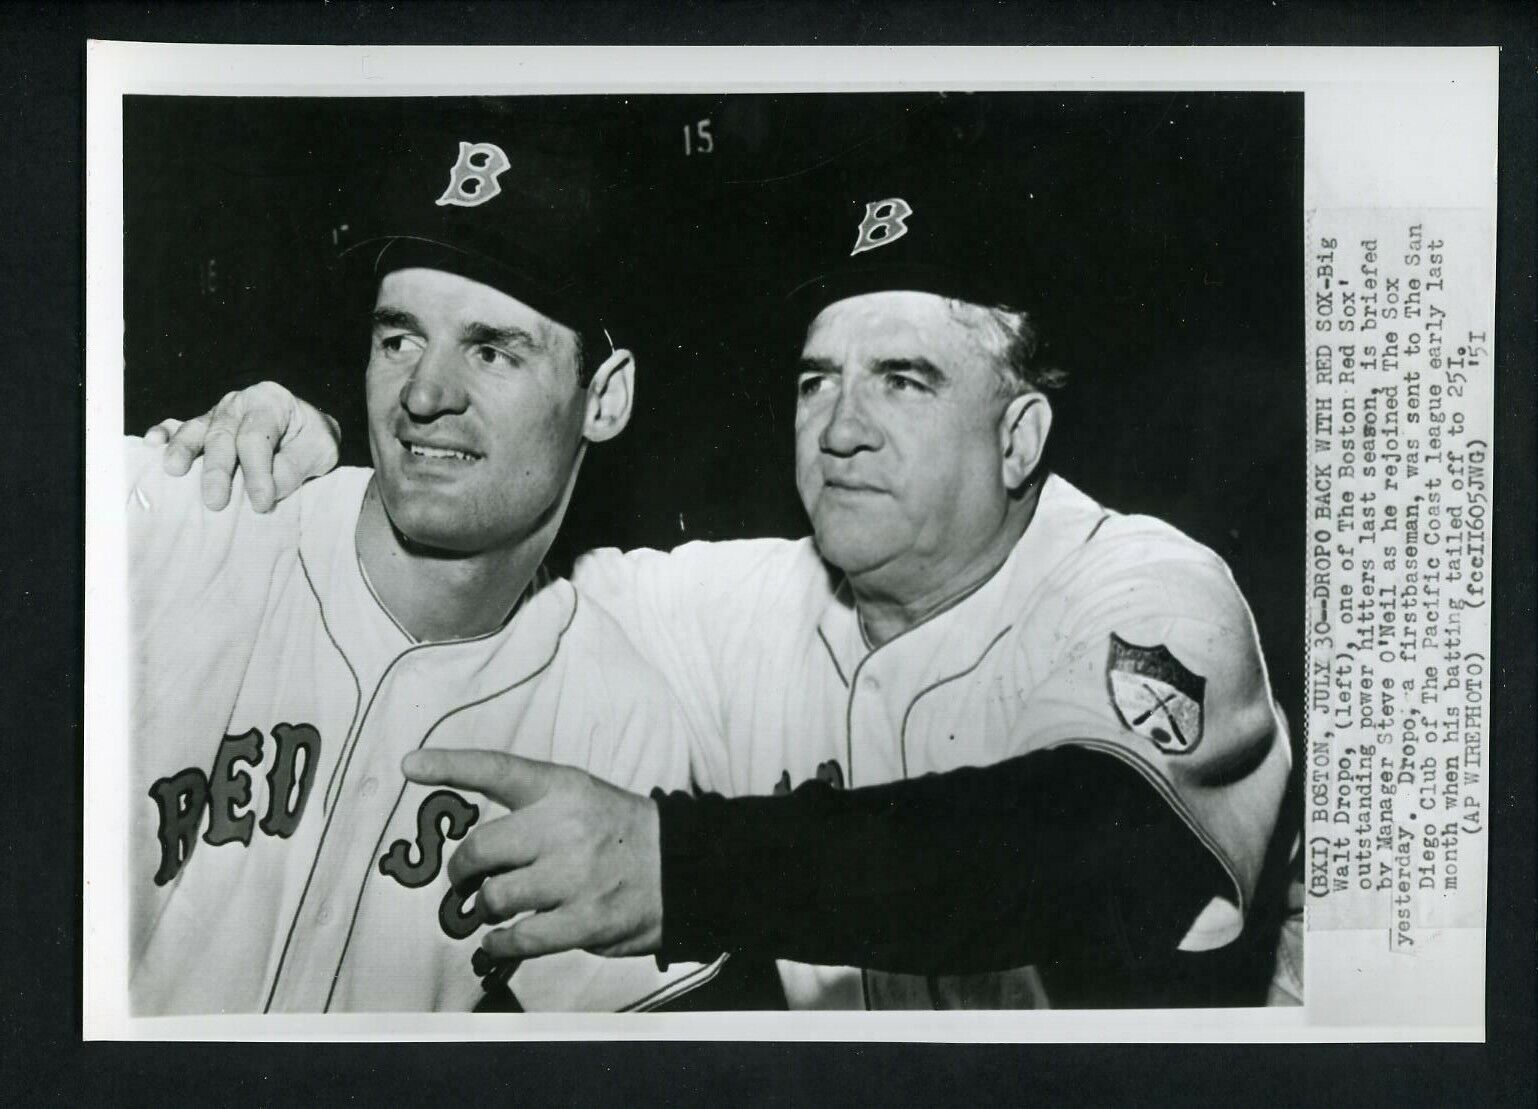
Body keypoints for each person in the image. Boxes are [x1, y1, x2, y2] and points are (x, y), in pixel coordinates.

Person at [152, 187, 1301, 1010]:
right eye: (816, 380)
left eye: (903, 379)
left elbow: (1090, 846)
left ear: (1019, 435)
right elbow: (487, 577)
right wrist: (297, 441)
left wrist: (677, 863)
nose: (840, 428)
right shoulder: (724, 606)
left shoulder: (1144, 586)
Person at [124, 125, 730, 1014]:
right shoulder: (183, 509)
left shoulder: (617, 720)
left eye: (492, 350)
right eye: (401, 338)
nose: (423, 394)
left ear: (604, 398)